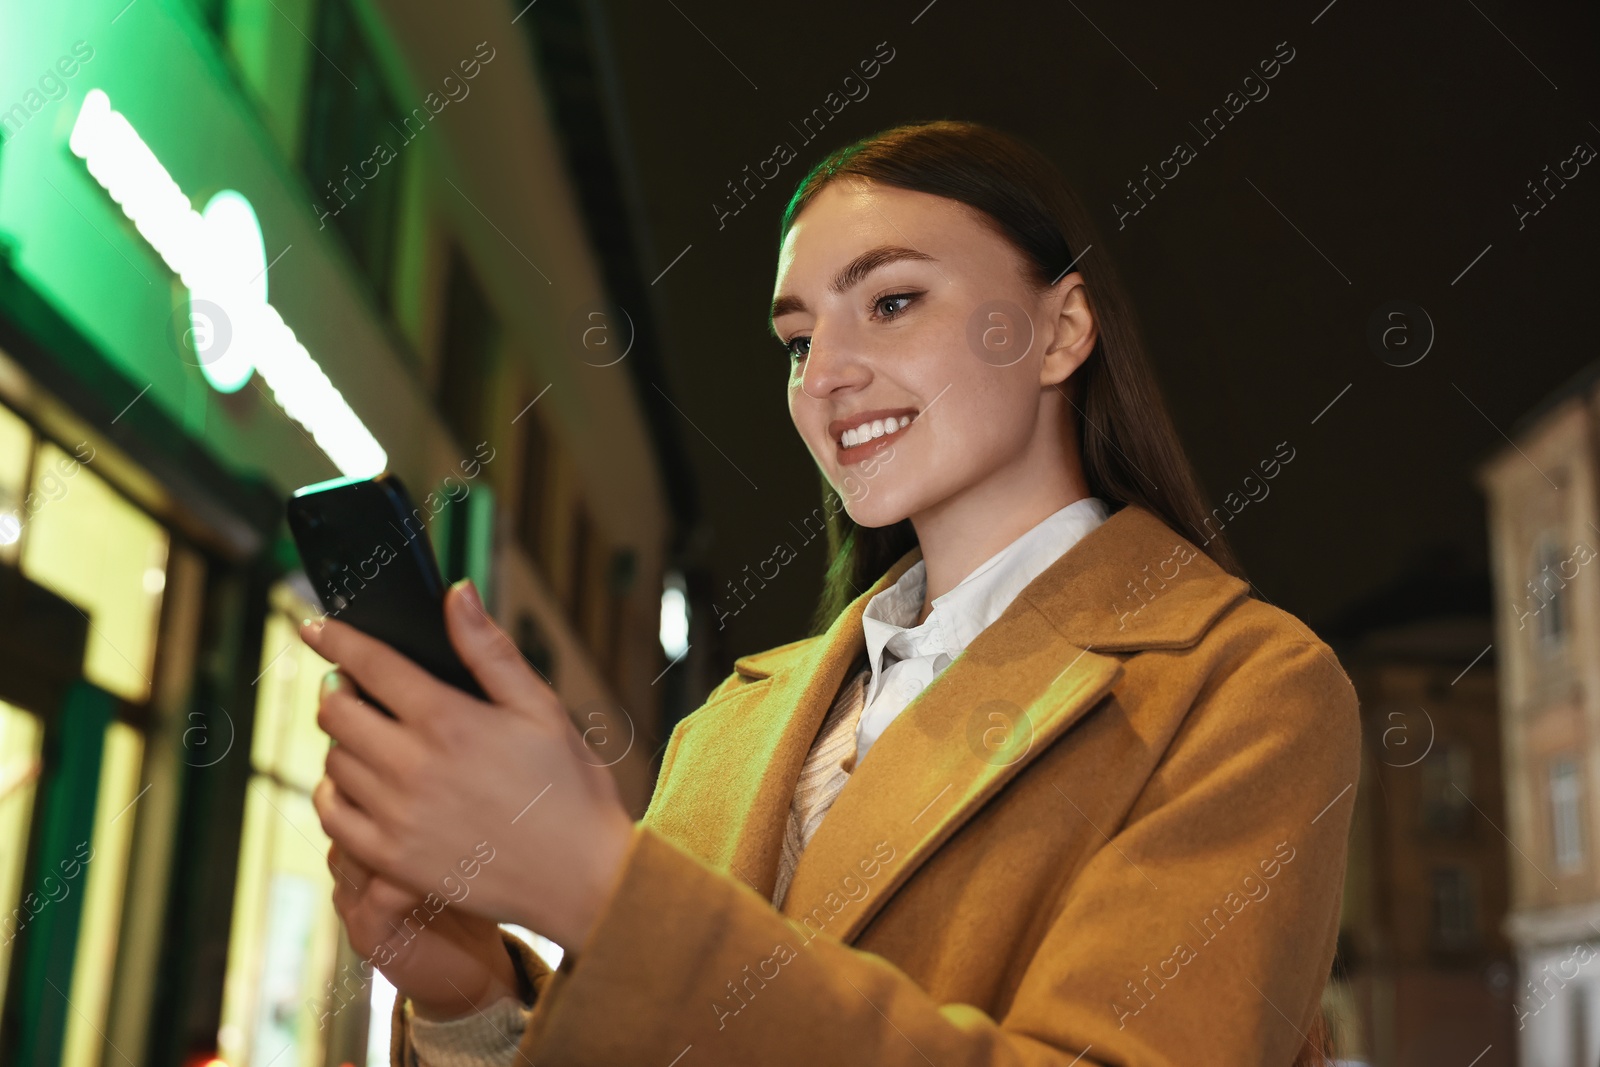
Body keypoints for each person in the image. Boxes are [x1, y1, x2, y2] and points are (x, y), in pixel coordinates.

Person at [305, 119, 1360, 1066]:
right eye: (798, 340)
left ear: (1062, 328)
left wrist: (604, 895)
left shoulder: (1244, 689)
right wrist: (476, 1007)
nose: (820, 378)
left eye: (891, 301)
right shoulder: (729, 723)